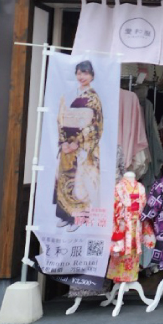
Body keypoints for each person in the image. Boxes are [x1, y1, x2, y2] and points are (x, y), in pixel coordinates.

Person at [55, 60, 103, 232]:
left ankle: (79, 218)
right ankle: (66, 216)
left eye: (85, 73)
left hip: (83, 148)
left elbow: (96, 126)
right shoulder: (69, 95)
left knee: (80, 181)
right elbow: (60, 119)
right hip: (67, 146)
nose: (82, 76)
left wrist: (78, 142)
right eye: (79, 73)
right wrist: (64, 142)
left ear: (92, 76)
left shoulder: (94, 98)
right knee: (65, 179)